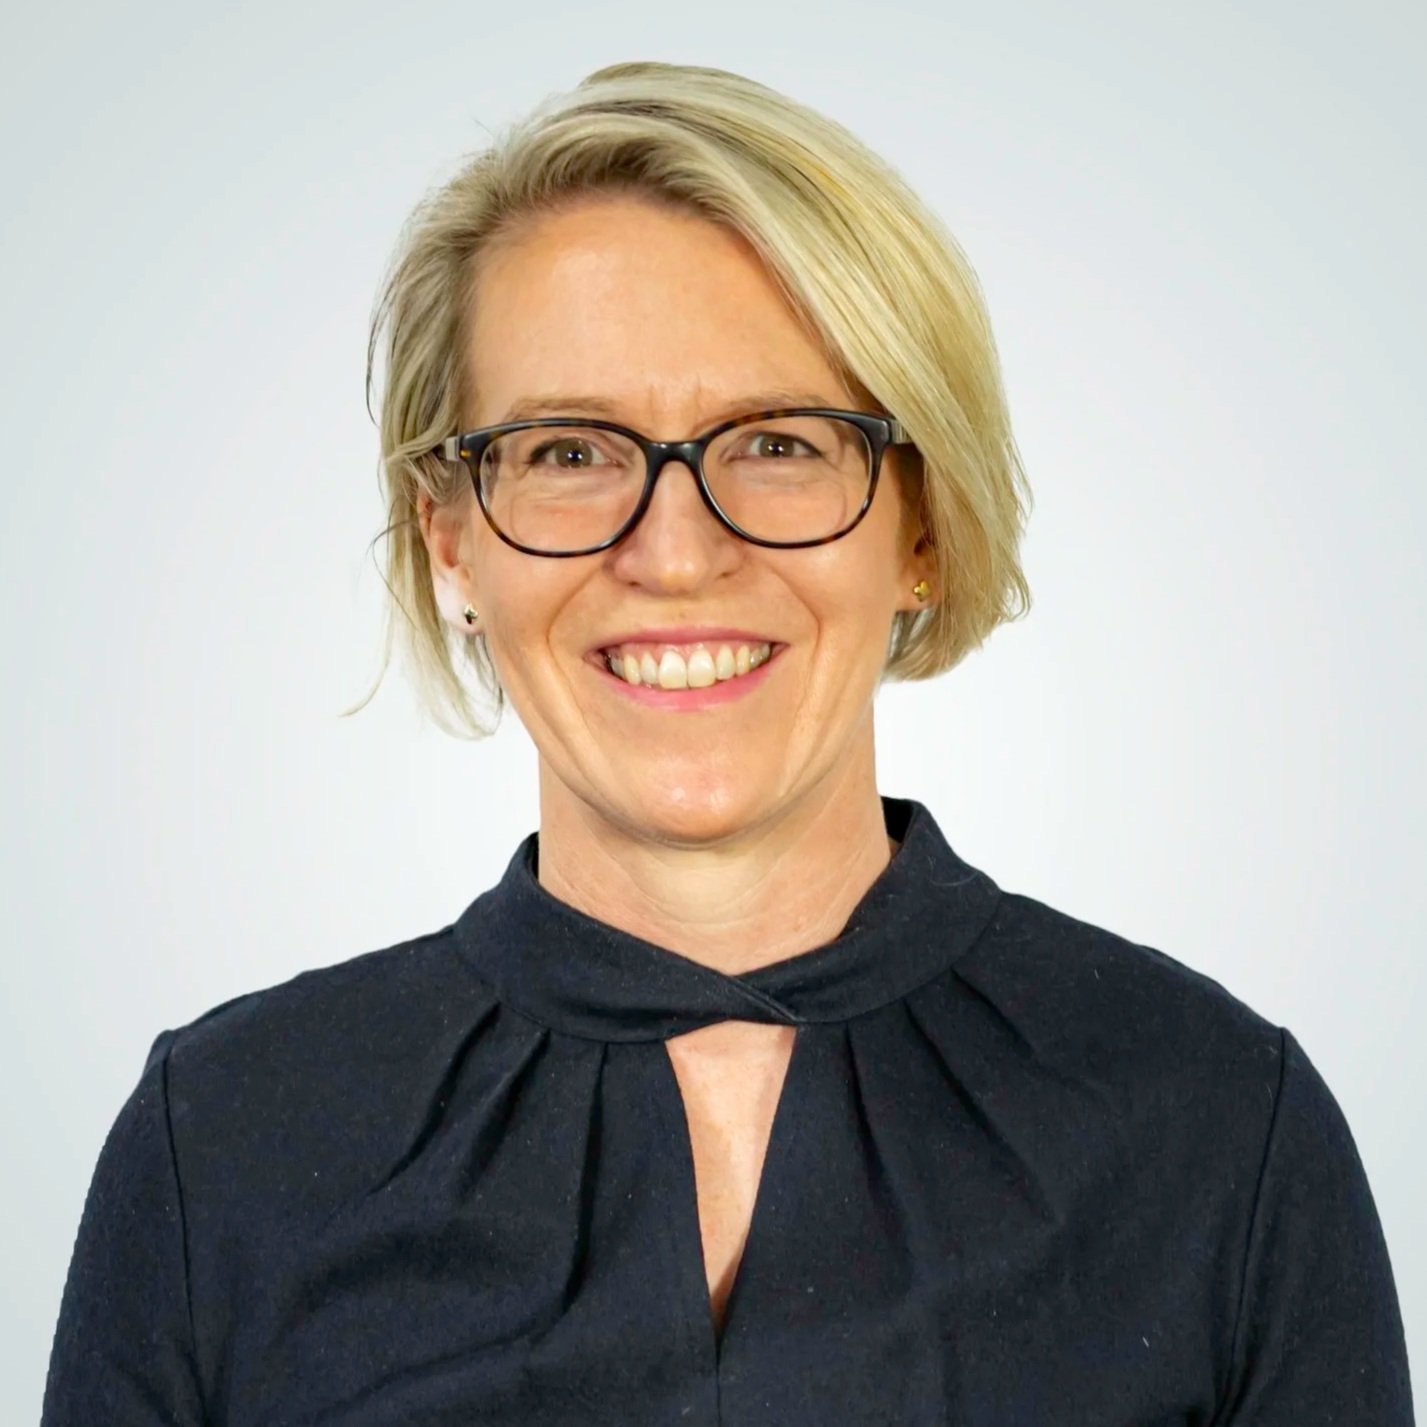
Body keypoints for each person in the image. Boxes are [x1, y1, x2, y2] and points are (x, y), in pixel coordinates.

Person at [41, 61, 1414, 1426]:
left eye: (778, 443)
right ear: (449, 538)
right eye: (572, 451)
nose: (677, 554)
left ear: (921, 528)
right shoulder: (221, 1148)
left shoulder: (1223, 1131)